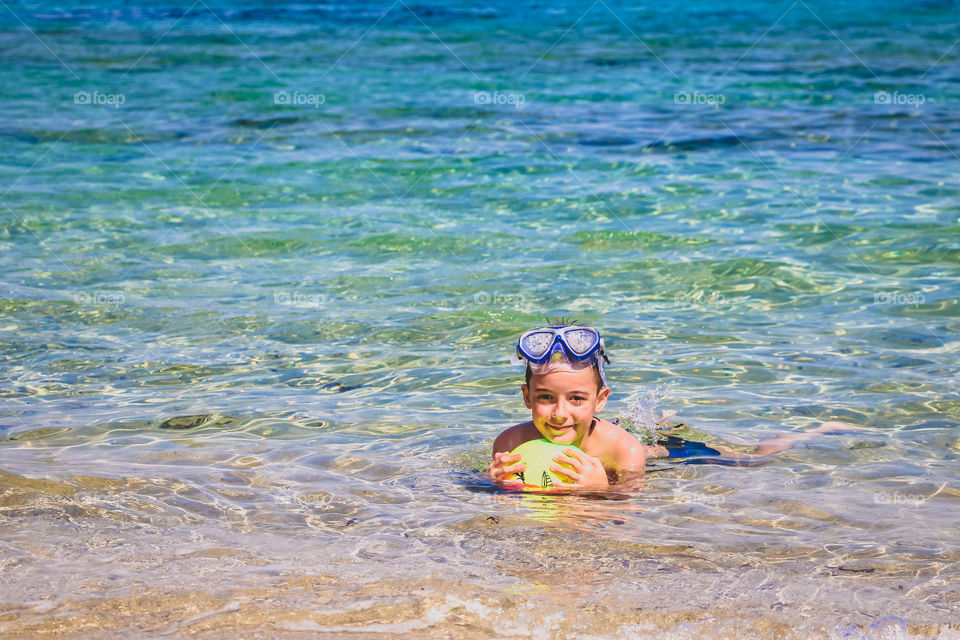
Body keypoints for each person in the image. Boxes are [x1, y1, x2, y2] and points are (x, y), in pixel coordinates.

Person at [487, 324, 858, 490]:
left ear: (600, 399)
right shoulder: (510, 444)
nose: (559, 413)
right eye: (545, 397)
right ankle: (658, 422)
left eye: (577, 399)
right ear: (527, 397)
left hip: (659, 455)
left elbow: (629, 512)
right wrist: (495, 483)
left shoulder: (625, 451)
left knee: (746, 462)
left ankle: (798, 434)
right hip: (614, 436)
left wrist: (600, 488)